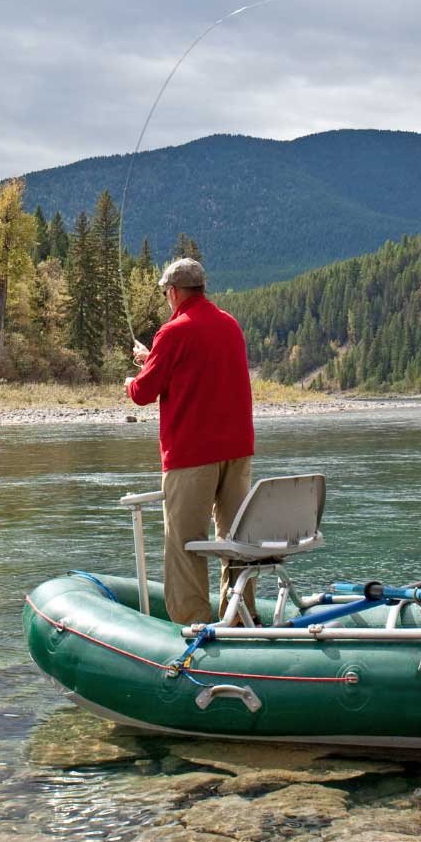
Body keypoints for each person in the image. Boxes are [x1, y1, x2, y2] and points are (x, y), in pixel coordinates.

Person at [124, 257, 255, 625]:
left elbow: (144, 393)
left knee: (185, 544)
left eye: (167, 293)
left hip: (192, 455)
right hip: (237, 451)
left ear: (174, 292)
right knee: (237, 540)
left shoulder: (173, 332)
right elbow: (199, 370)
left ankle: (192, 625)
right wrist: (153, 359)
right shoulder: (230, 325)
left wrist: (131, 381)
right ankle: (242, 618)